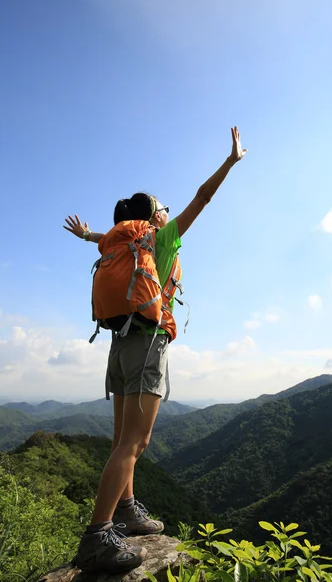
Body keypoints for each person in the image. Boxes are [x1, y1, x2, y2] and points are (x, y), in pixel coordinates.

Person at [64, 127, 247, 574]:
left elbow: (103, 239)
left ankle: (125, 508)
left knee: (119, 440)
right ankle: (97, 537)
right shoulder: (160, 240)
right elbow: (202, 199)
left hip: (118, 344)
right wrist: (230, 162)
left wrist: (89, 235)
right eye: (163, 208)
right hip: (147, 345)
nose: (168, 211)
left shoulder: (117, 241)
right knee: (135, 441)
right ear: (155, 217)